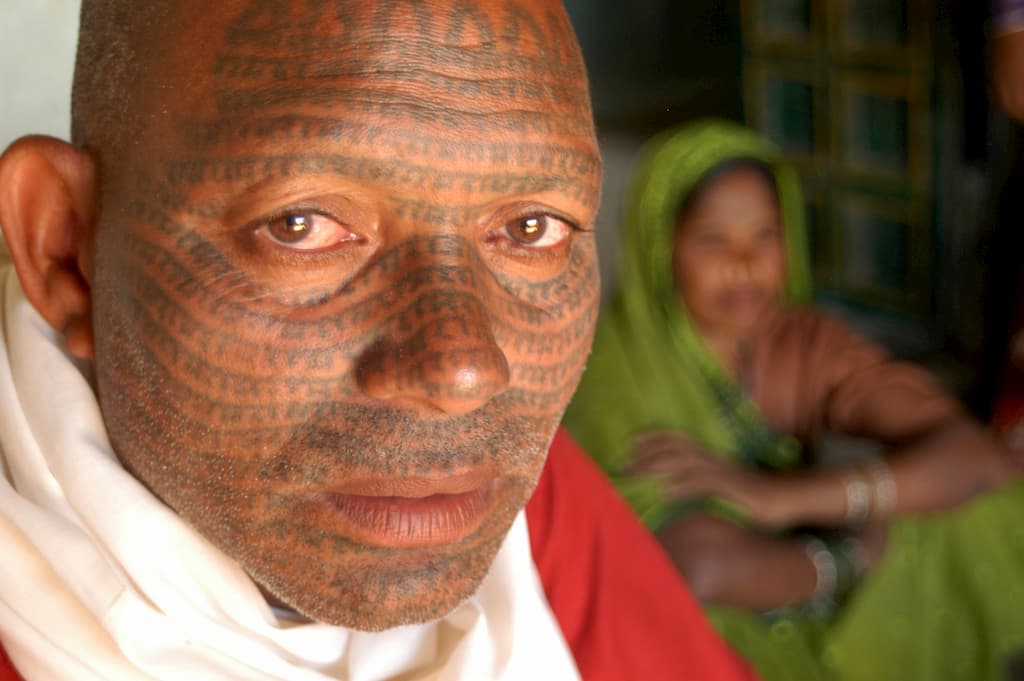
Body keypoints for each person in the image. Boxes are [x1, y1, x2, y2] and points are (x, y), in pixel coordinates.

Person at [0, 3, 759, 680]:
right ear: (63, 249)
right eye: (300, 225)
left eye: (530, 227)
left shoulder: (512, 503)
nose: (461, 370)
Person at [564, 119, 1024, 681]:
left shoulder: (801, 343)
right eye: (714, 241)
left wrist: (783, 498)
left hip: (788, 565)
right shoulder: (619, 370)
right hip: (683, 612)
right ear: (661, 248)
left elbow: (976, 461)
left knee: (969, 514)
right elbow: (695, 564)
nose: (745, 263)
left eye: (766, 235)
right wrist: (845, 561)